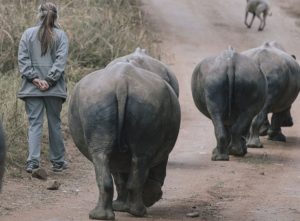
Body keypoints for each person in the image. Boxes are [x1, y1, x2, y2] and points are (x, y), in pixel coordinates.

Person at [18, 2, 68, 173]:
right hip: (54, 89)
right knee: (55, 124)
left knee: (35, 124)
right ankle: (58, 162)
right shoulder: (61, 36)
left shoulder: (27, 34)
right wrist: (49, 80)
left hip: (32, 89)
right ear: (56, 16)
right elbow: (60, 61)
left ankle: (33, 162)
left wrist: (35, 80)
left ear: (38, 14)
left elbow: (23, 61)